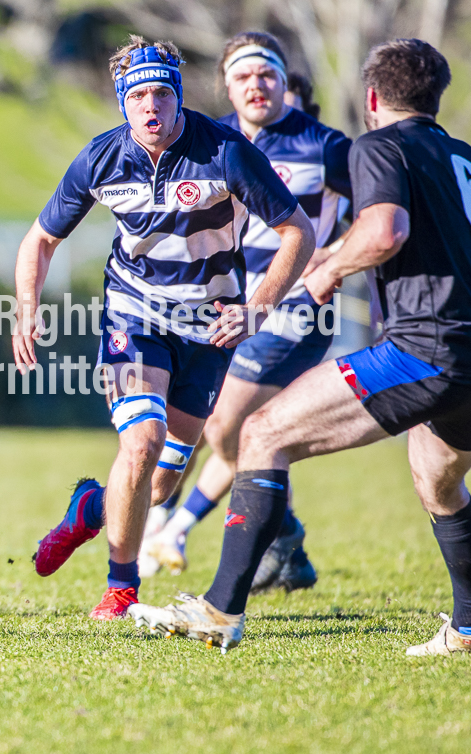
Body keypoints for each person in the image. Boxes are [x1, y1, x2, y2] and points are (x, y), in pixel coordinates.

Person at [129, 39, 471, 656]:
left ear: (373, 98)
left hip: (421, 347)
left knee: (263, 432)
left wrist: (328, 272)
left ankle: (221, 610)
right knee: (439, 484)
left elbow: (384, 229)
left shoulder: (377, 145)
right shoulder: (469, 161)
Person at [15, 36, 315, 620]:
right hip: (135, 313)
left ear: (178, 98)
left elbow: (298, 232)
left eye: (160, 93)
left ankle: (89, 508)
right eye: (137, 96)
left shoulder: (226, 152)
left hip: (211, 326)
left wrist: (258, 307)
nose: (149, 106)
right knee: (142, 444)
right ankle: (121, 587)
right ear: (122, 103)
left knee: (156, 486)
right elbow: (41, 240)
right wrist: (28, 305)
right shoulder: (101, 159)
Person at [139, 33, 352, 593]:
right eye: (243, 76)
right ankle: (283, 544)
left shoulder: (325, 145)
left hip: (296, 310)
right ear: (226, 88)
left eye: (267, 74)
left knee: (226, 422)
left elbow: (379, 212)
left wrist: (332, 257)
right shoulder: (213, 142)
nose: (256, 84)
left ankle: (174, 528)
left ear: (285, 82)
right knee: (227, 426)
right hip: (224, 308)